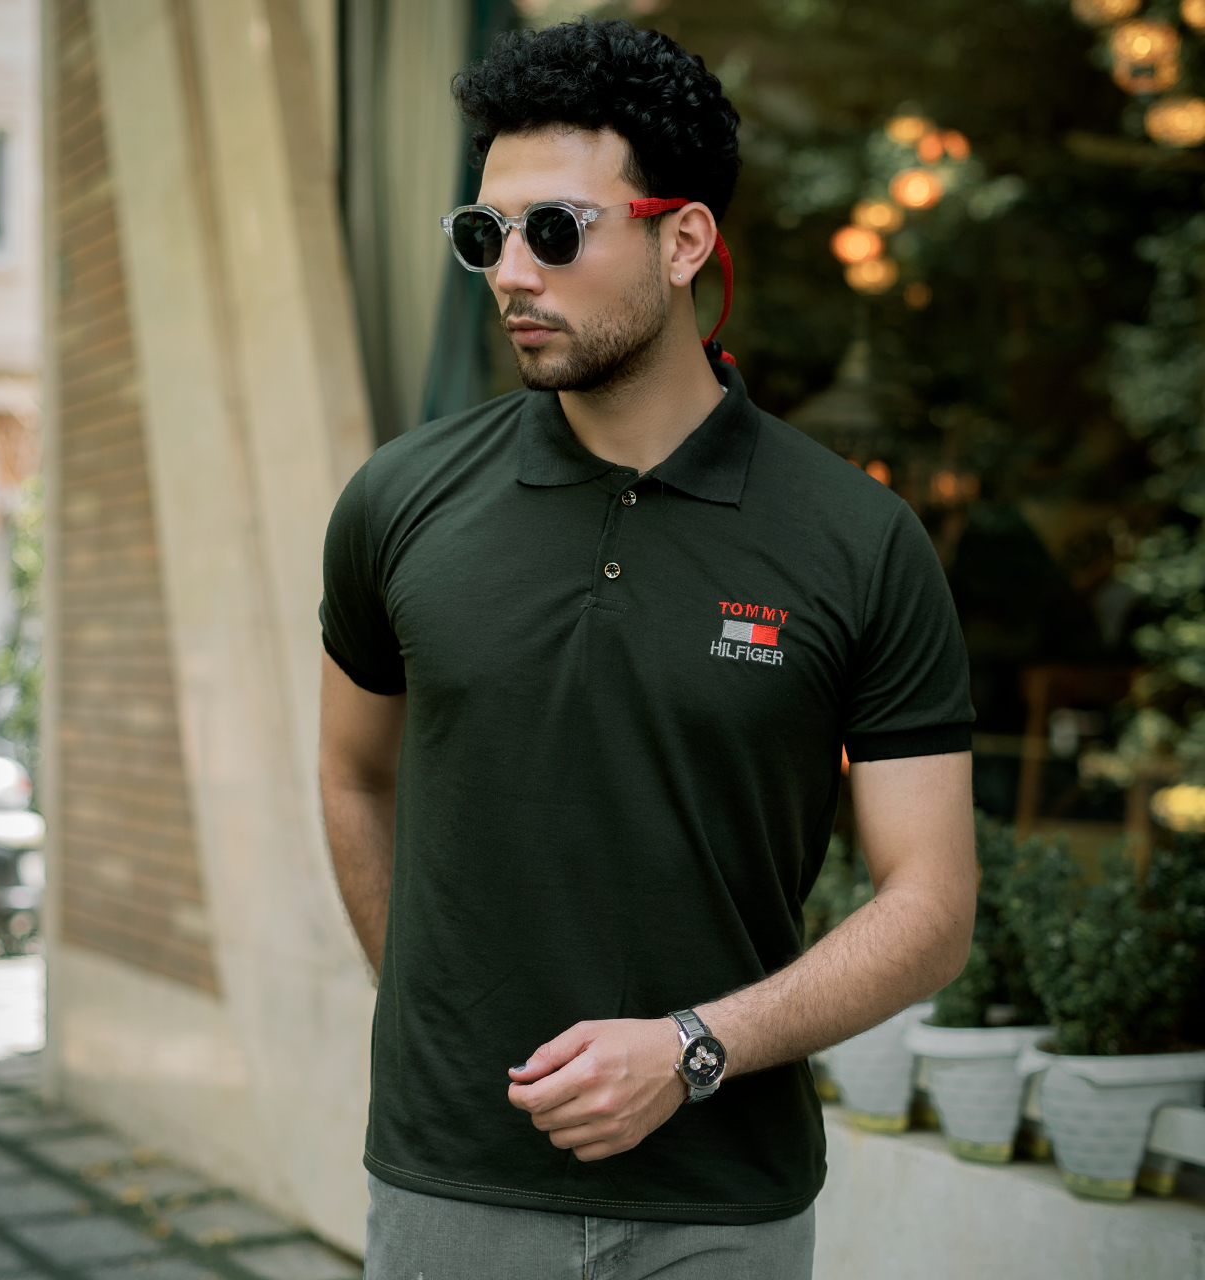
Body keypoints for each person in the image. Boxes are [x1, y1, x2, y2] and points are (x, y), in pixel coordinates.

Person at [318, 18, 976, 1280]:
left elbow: (930, 906)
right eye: (485, 234)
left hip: (724, 1202)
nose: (511, 273)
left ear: (683, 242)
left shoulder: (857, 540)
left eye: (554, 230)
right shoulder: (397, 502)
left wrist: (691, 1047)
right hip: (451, 1182)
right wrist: (431, 1018)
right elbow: (354, 773)